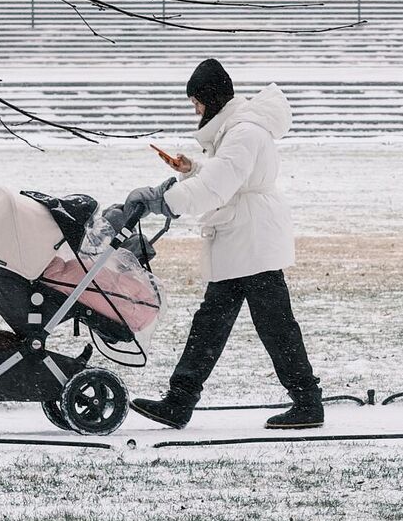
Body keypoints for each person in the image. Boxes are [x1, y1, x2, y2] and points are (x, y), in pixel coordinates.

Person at [114, 58, 323, 430]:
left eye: (196, 101)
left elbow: (218, 186)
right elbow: (224, 175)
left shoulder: (243, 132)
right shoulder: (235, 130)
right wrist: (191, 169)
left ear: (210, 98)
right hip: (243, 239)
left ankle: (307, 402)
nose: (194, 109)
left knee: (272, 327)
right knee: (214, 323)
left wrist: (165, 201)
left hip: (252, 241)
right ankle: (180, 400)